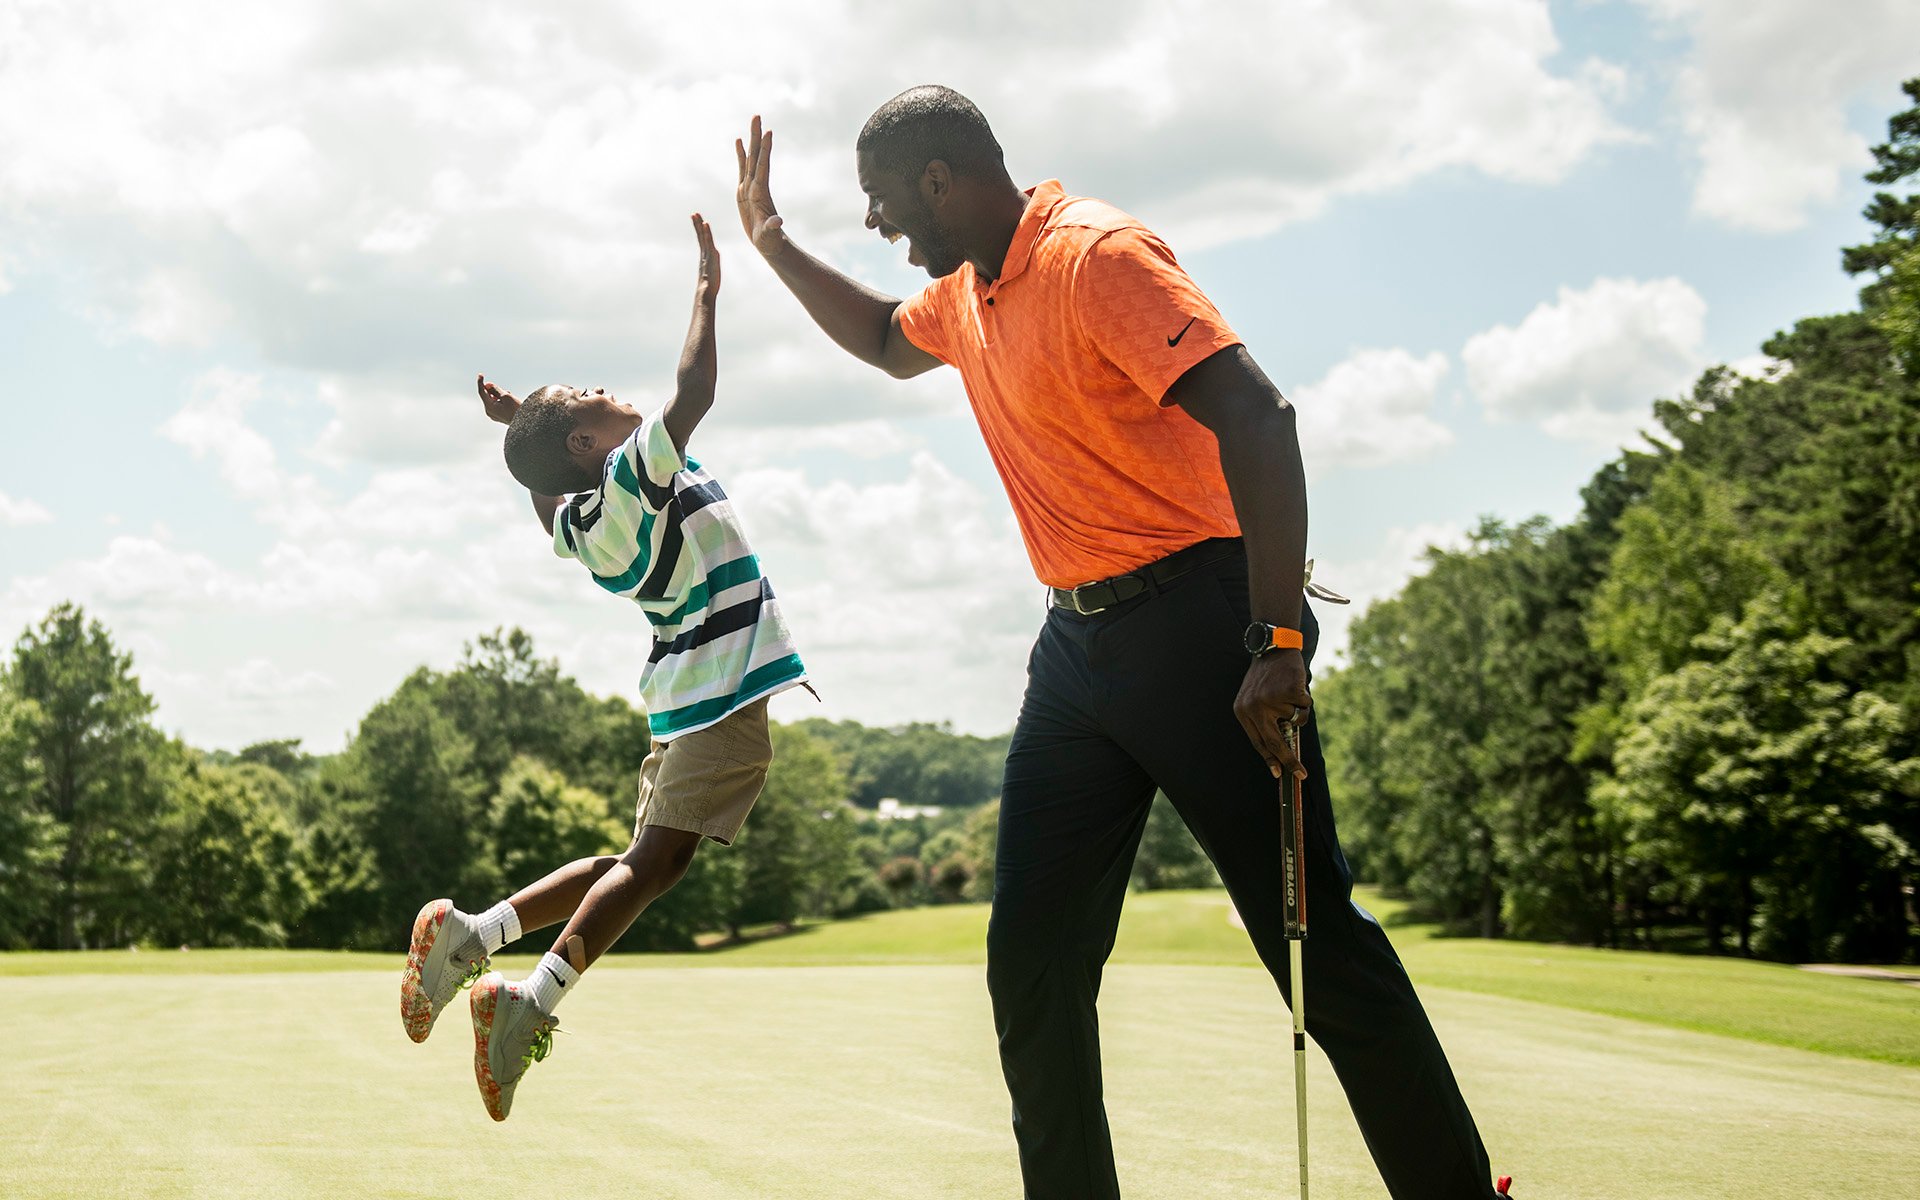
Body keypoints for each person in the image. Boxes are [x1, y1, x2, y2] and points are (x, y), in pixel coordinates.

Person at [734, 89, 1510, 1198]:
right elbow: (876, 340)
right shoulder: (968, 294)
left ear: (940, 180)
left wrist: (1279, 638)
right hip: (1076, 653)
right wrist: (773, 244)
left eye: (880, 200)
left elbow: (1261, 418)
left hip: (1204, 632)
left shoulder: (1095, 255)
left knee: (1315, 946)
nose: (876, 223)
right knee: (1033, 968)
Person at [398, 215, 809, 1122]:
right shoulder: (633, 475)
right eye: (585, 397)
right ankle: (526, 1002)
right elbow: (691, 389)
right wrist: (706, 290)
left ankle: (479, 933)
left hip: (679, 695)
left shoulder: (581, 518)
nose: (604, 392)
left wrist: (528, 429)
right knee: (657, 867)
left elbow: (543, 493)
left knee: (634, 861)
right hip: (719, 689)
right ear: (589, 447)